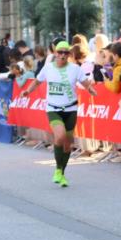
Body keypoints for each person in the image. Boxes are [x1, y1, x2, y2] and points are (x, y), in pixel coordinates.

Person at [19, 40, 97, 187]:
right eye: (60, 52)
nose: (62, 55)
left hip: (71, 109)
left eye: (65, 53)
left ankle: (61, 172)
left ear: (69, 54)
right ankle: (57, 169)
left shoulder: (75, 69)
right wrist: (27, 91)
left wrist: (91, 89)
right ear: (55, 53)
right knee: (60, 136)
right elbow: (37, 81)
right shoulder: (48, 68)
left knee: (68, 144)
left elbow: (85, 82)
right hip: (53, 108)